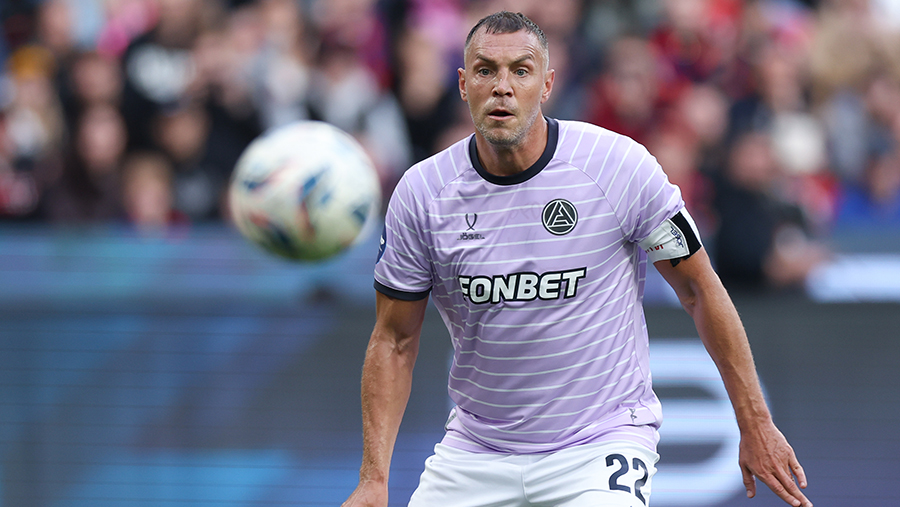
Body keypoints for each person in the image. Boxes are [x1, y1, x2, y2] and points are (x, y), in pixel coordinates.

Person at [343, 11, 812, 507]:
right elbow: (394, 340)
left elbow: (698, 288)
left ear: (547, 84)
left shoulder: (618, 167)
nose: (502, 87)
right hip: (476, 452)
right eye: (485, 70)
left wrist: (754, 422)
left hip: (599, 444)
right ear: (463, 84)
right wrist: (374, 479)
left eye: (521, 71)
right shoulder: (423, 193)